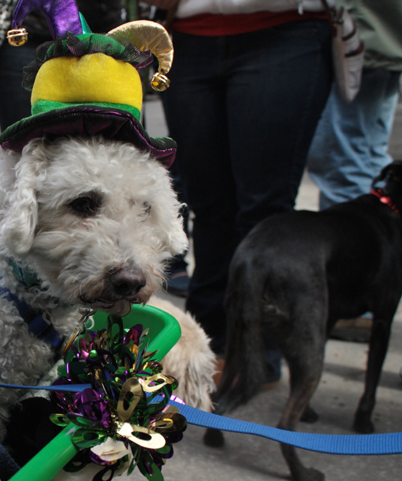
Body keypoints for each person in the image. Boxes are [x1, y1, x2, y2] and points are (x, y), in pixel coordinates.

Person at [143, 0, 334, 383]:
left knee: (263, 212)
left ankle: (256, 353)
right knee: (207, 208)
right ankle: (200, 348)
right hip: (187, 36)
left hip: (284, 30)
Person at [306, 0, 402, 343]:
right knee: (364, 150)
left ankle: (354, 298)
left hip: (365, 32)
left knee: (344, 158)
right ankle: (378, 286)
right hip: (380, 35)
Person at [0, 0, 124, 132]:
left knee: (103, 142)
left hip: (91, 37)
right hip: (24, 37)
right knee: (23, 144)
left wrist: (118, 44)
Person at [307, 0, 402, 209]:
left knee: (339, 161)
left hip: (357, 38)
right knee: (368, 154)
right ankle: (386, 235)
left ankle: (354, 238)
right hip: (381, 37)